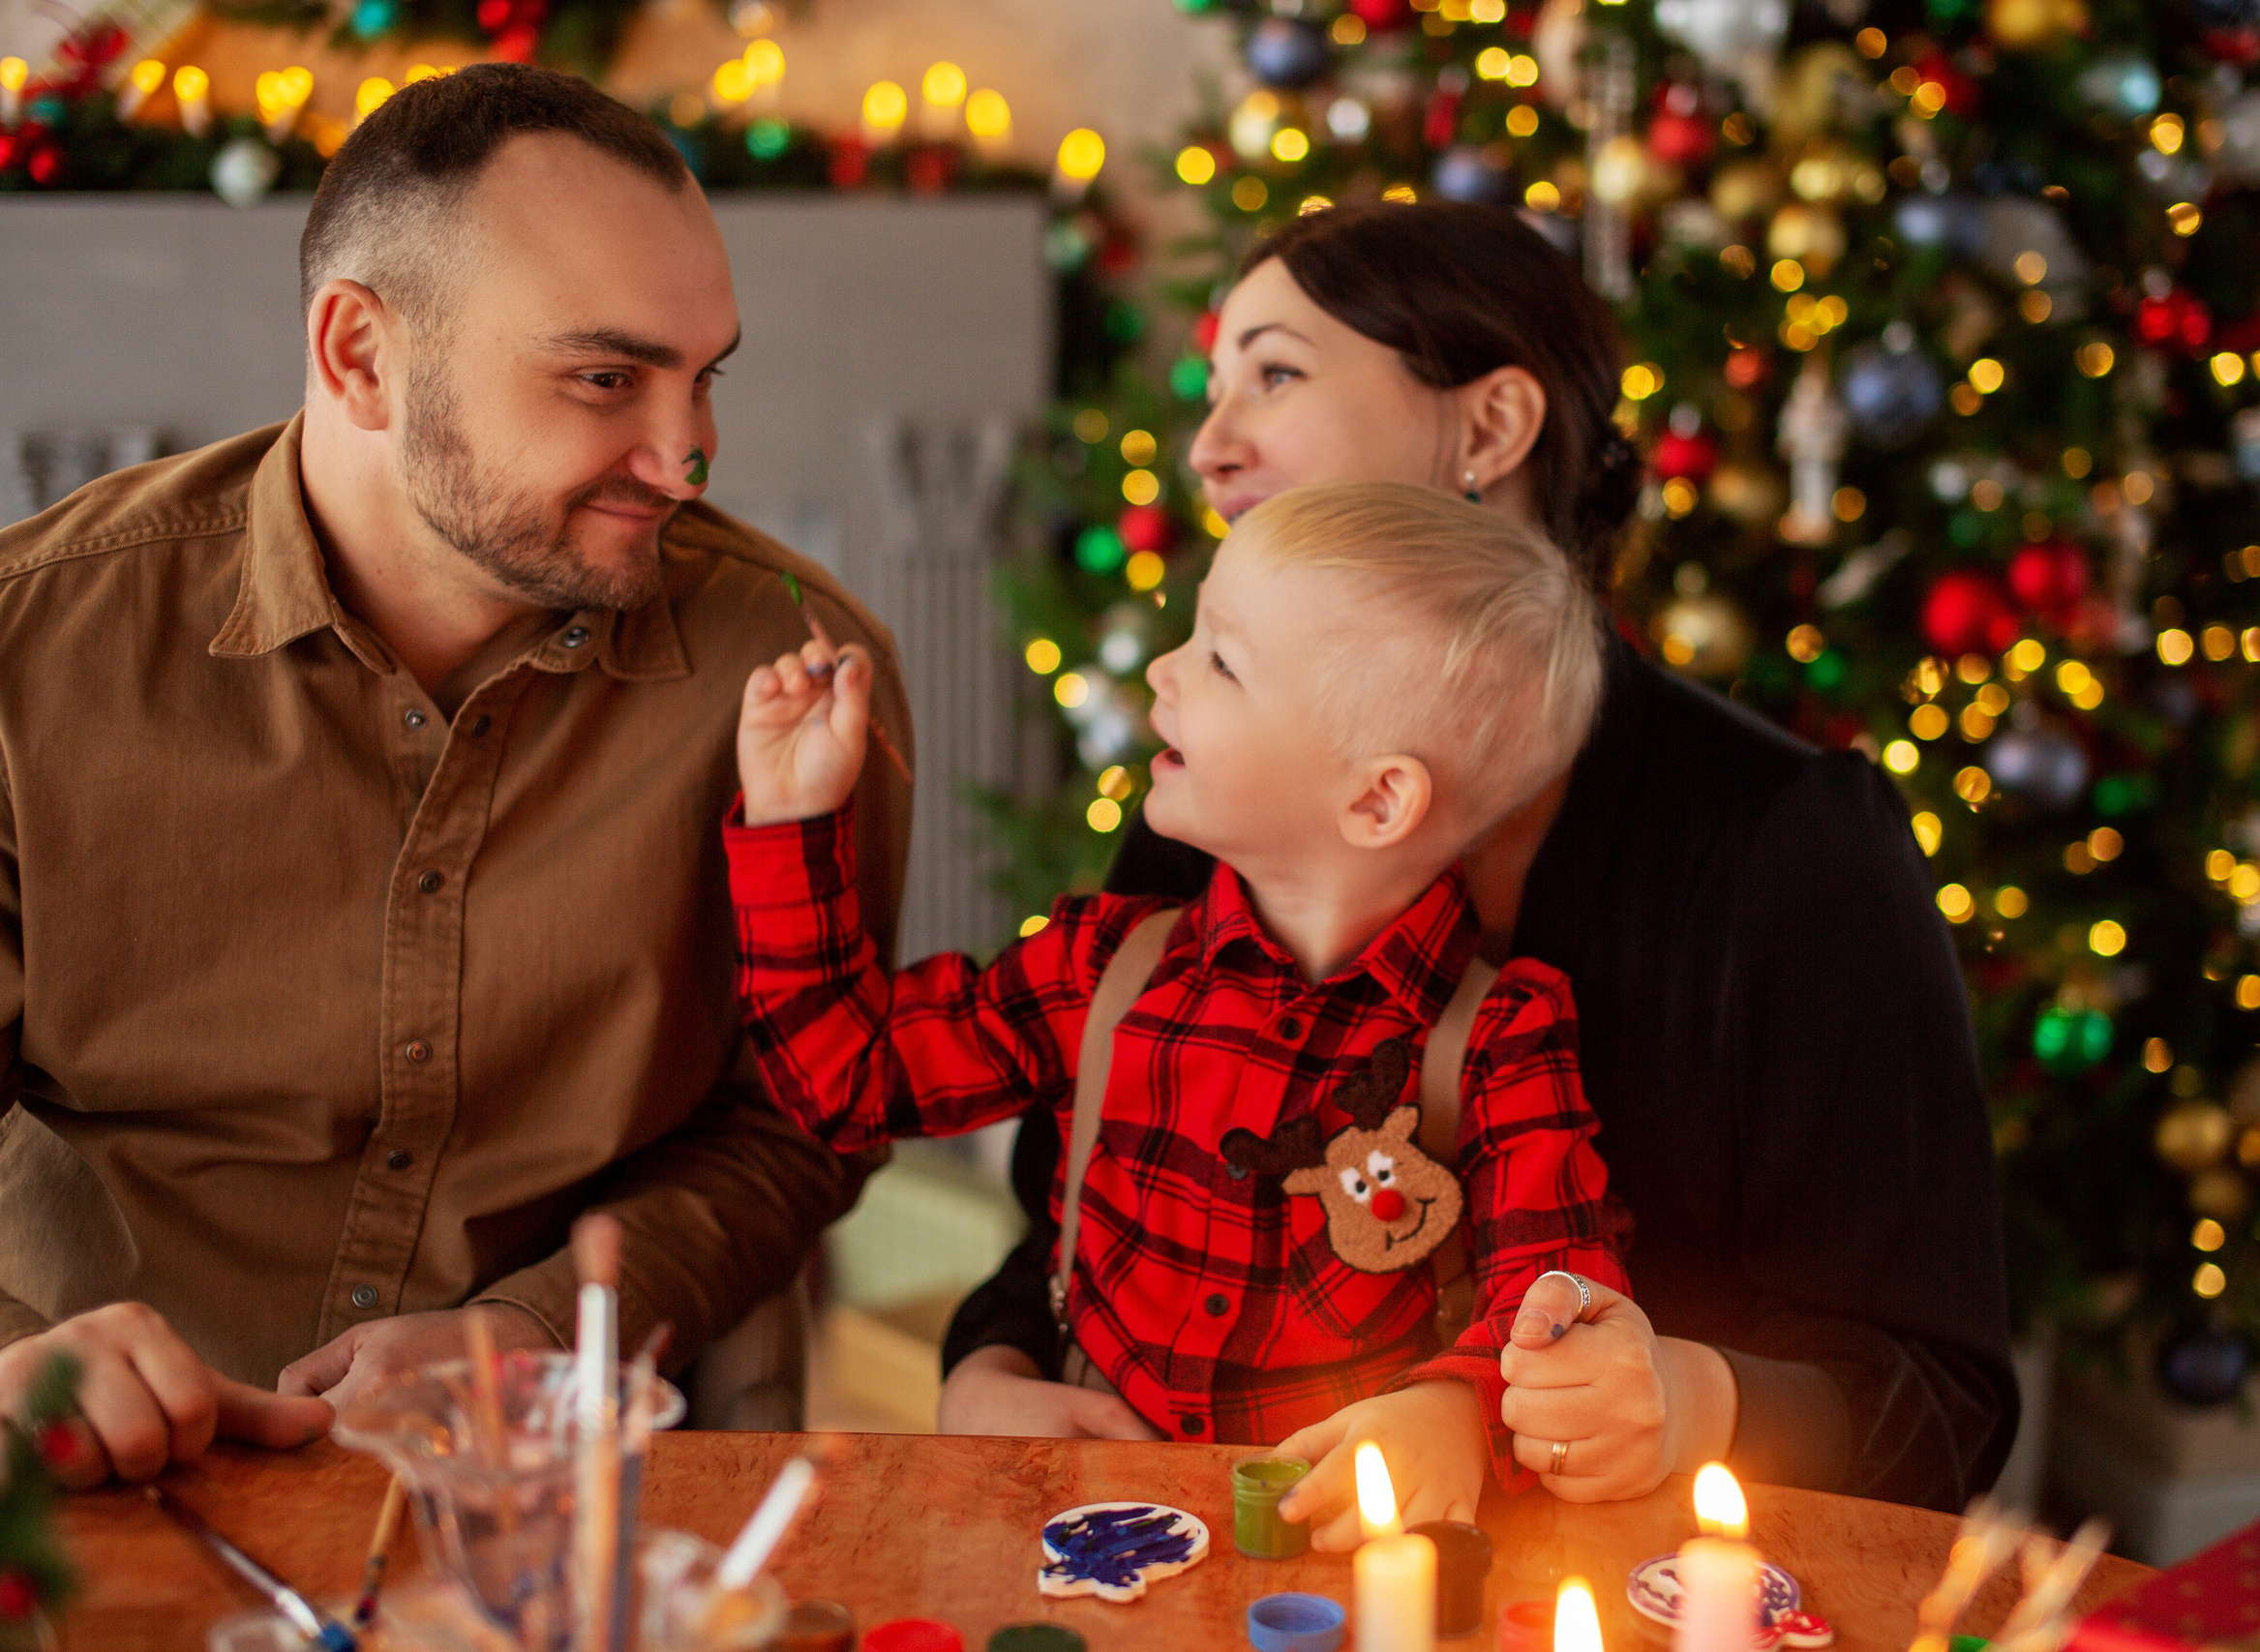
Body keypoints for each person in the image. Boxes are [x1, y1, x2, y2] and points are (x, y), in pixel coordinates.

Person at [940, 201, 2018, 1514]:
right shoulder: (1216, 795)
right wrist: (988, 1367)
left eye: (1274, 373)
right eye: (1213, 387)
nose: (1210, 450)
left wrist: (1695, 1401)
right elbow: (1066, 1204)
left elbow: (1942, 1400)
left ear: (1491, 428)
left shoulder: (1783, 844)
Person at [0, 64, 910, 1487]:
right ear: (361, 353)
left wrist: (540, 1326)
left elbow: (805, 1114)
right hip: (97, 1473)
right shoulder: (31, 650)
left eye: (704, 375)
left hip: (580, 1469)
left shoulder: (795, 667)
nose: (688, 455)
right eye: (607, 377)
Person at [731, 482, 1628, 1538]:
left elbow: (1562, 1299)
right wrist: (794, 817)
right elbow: (846, 1079)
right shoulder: (1100, 965)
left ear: (1377, 799)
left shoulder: (1501, 1039)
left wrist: (1456, 1411)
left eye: (1219, 660)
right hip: (1083, 1531)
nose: (1161, 669)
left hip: (1338, 1559)